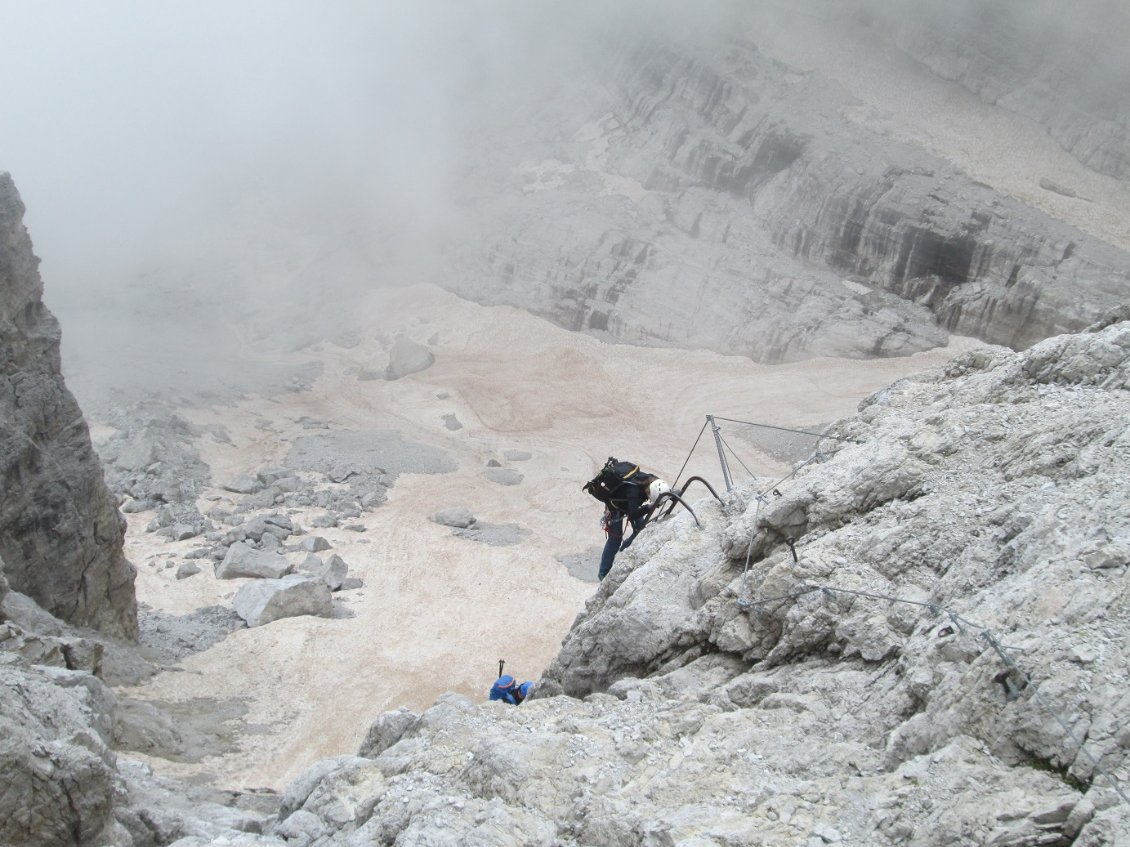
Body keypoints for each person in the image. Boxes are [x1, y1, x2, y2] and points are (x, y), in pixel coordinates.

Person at [584, 457, 669, 580]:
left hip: (628, 502)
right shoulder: (633, 491)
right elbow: (633, 514)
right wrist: (649, 507)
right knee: (615, 540)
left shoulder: (652, 481)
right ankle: (603, 573)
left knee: (640, 529)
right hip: (616, 507)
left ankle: (626, 547)